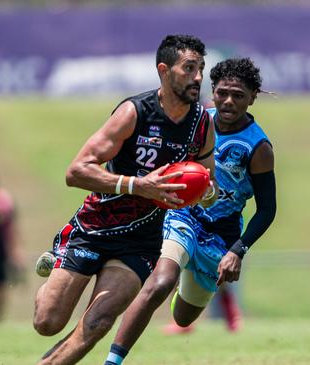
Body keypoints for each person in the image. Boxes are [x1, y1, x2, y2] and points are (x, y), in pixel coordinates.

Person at [32, 34, 217, 365]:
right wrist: (138, 185)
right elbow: (76, 171)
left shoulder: (201, 123)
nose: (198, 78)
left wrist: (203, 192)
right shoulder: (135, 112)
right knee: (47, 322)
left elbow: (208, 181)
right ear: (164, 70)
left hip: (141, 242)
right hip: (94, 226)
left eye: (201, 69)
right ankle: (57, 257)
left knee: (97, 322)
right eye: (189, 68)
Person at [103, 57, 277, 365]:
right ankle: (113, 361)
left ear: (252, 98)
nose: (228, 101)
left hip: (221, 236)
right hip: (184, 216)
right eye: (222, 92)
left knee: (184, 318)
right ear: (213, 90)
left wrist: (238, 251)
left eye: (238, 95)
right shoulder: (196, 122)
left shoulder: (258, 148)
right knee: (159, 283)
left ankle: (186, 277)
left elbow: (267, 209)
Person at [0, 174, 24, 322]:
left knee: (1, 284)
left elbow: (10, 227)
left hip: (0, 248)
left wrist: (15, 251)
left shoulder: (1, 201)